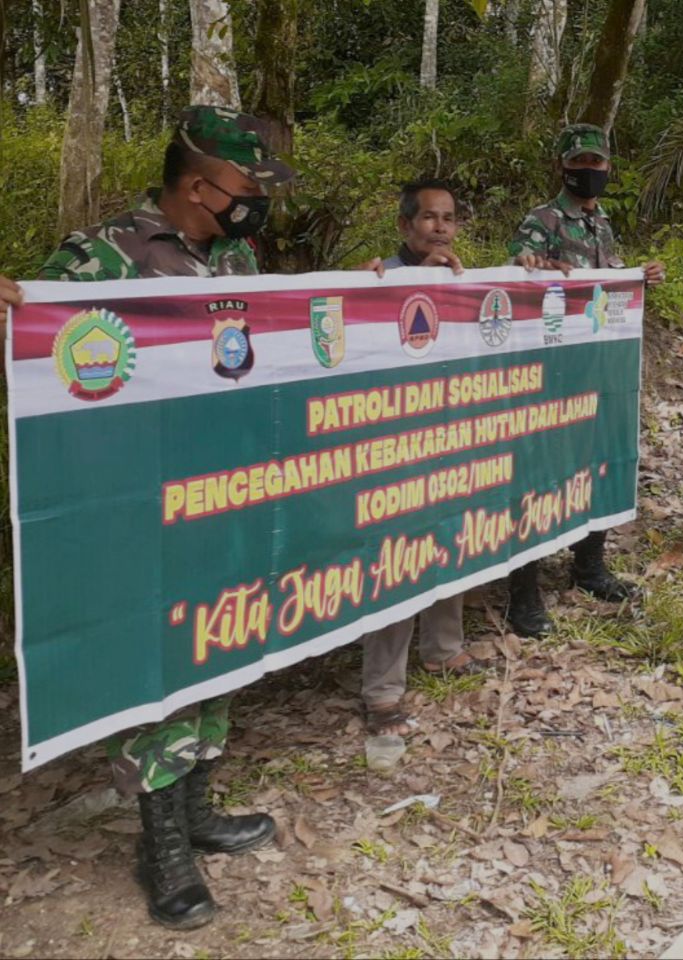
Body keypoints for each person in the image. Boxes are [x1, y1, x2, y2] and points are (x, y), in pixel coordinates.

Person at [0, 106, 300, 928]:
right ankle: (159, 843)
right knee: (155, 661)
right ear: (199, 186)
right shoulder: (101, 256)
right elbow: (39, 350)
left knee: (220, 641)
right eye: (248, 185)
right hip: (138, 502)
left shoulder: (233, 253)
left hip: (226, 493)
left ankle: (197, 807)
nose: (257, 200)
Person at [503, 122, 664, 638]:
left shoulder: (603, 225)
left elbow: (605, 287)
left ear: (607, 167)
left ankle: (588, 567)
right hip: (550, 374)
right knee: (536, 474)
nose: (588, 172)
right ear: (562, 166)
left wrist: (638, 276)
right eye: (580, 163)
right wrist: (526, 265)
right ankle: (521, 593)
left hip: (597, 371)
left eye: (597, 163)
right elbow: (518, 273)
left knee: (597, 460)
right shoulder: (542, 219)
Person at [356, 177, 480, 737]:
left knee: (450, 536)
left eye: (449, 218)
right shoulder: (380, 277)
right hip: (395, 443)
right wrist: (355, 290)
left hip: (449, 435)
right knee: (397, 556)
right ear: (405, 226)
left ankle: (444, 649)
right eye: (429, 218)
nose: (440, 228)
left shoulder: (463, 280)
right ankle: (383, 692)